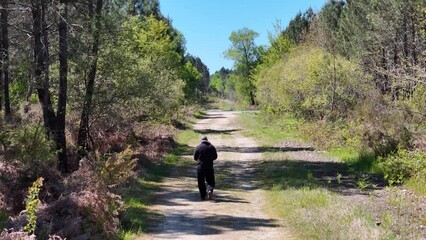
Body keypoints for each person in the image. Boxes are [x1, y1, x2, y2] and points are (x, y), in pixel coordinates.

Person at [193, 136, 218, 200]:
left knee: (201, 181)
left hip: (200, 166)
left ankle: (203, 196)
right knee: (210, 180)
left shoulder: (198, 147)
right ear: (207, 140)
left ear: (201, 141)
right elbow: (215, 156)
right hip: (209, 166)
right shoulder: (211, 147)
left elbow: (195, 158)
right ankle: (210, 190)